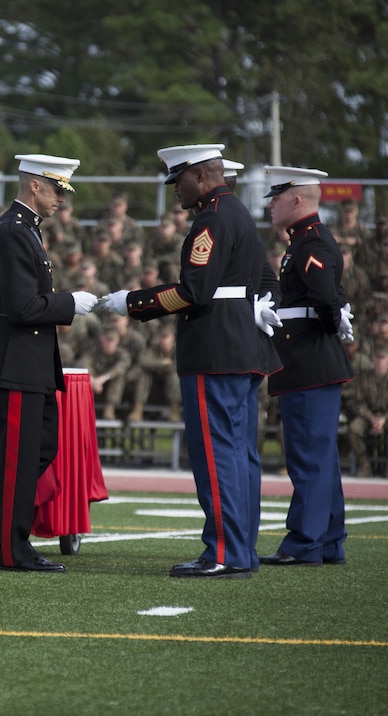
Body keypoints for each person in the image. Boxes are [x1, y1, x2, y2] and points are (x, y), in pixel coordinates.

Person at [98, 144, 281, 578]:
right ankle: (240, 550)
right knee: (239, 454)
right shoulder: (239, 215)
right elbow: (266, 280)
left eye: (178, 180)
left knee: (216, 455)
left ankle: (220, 553)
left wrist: (134, 303)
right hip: (242, 346)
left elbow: (193, 290)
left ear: (200, 176)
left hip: (214, 349)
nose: (175, 190)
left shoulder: (212, 220)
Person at [0, 153, 98, 573]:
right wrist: (69, 303)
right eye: (57, 190)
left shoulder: (26, 230)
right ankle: (15, 549)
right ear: (35, 185)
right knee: (21, 456)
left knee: (40, 449)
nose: (62, 199)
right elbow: (24, 307)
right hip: (16, 360)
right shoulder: (11, 233)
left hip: (29, 360)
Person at [258, 166, 355, 567]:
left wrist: (332, 323)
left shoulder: (310, 242)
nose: (270, 205)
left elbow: (326, 299)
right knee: (318, 455)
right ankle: (329, 539)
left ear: (297, 199)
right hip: (311, 363)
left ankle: (305, 542)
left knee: (307, 454)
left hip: (309, 362)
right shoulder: (306, 240)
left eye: (276, 197)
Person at [346, 346, 388, 478]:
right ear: (372, 359)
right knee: (354, 429)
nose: (380, 362)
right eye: (377, 358)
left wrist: (384, 419)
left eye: (383, 358)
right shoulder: (364, 378)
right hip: (368, 416)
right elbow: (358, 403)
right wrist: (372, 418)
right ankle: (364, 465)